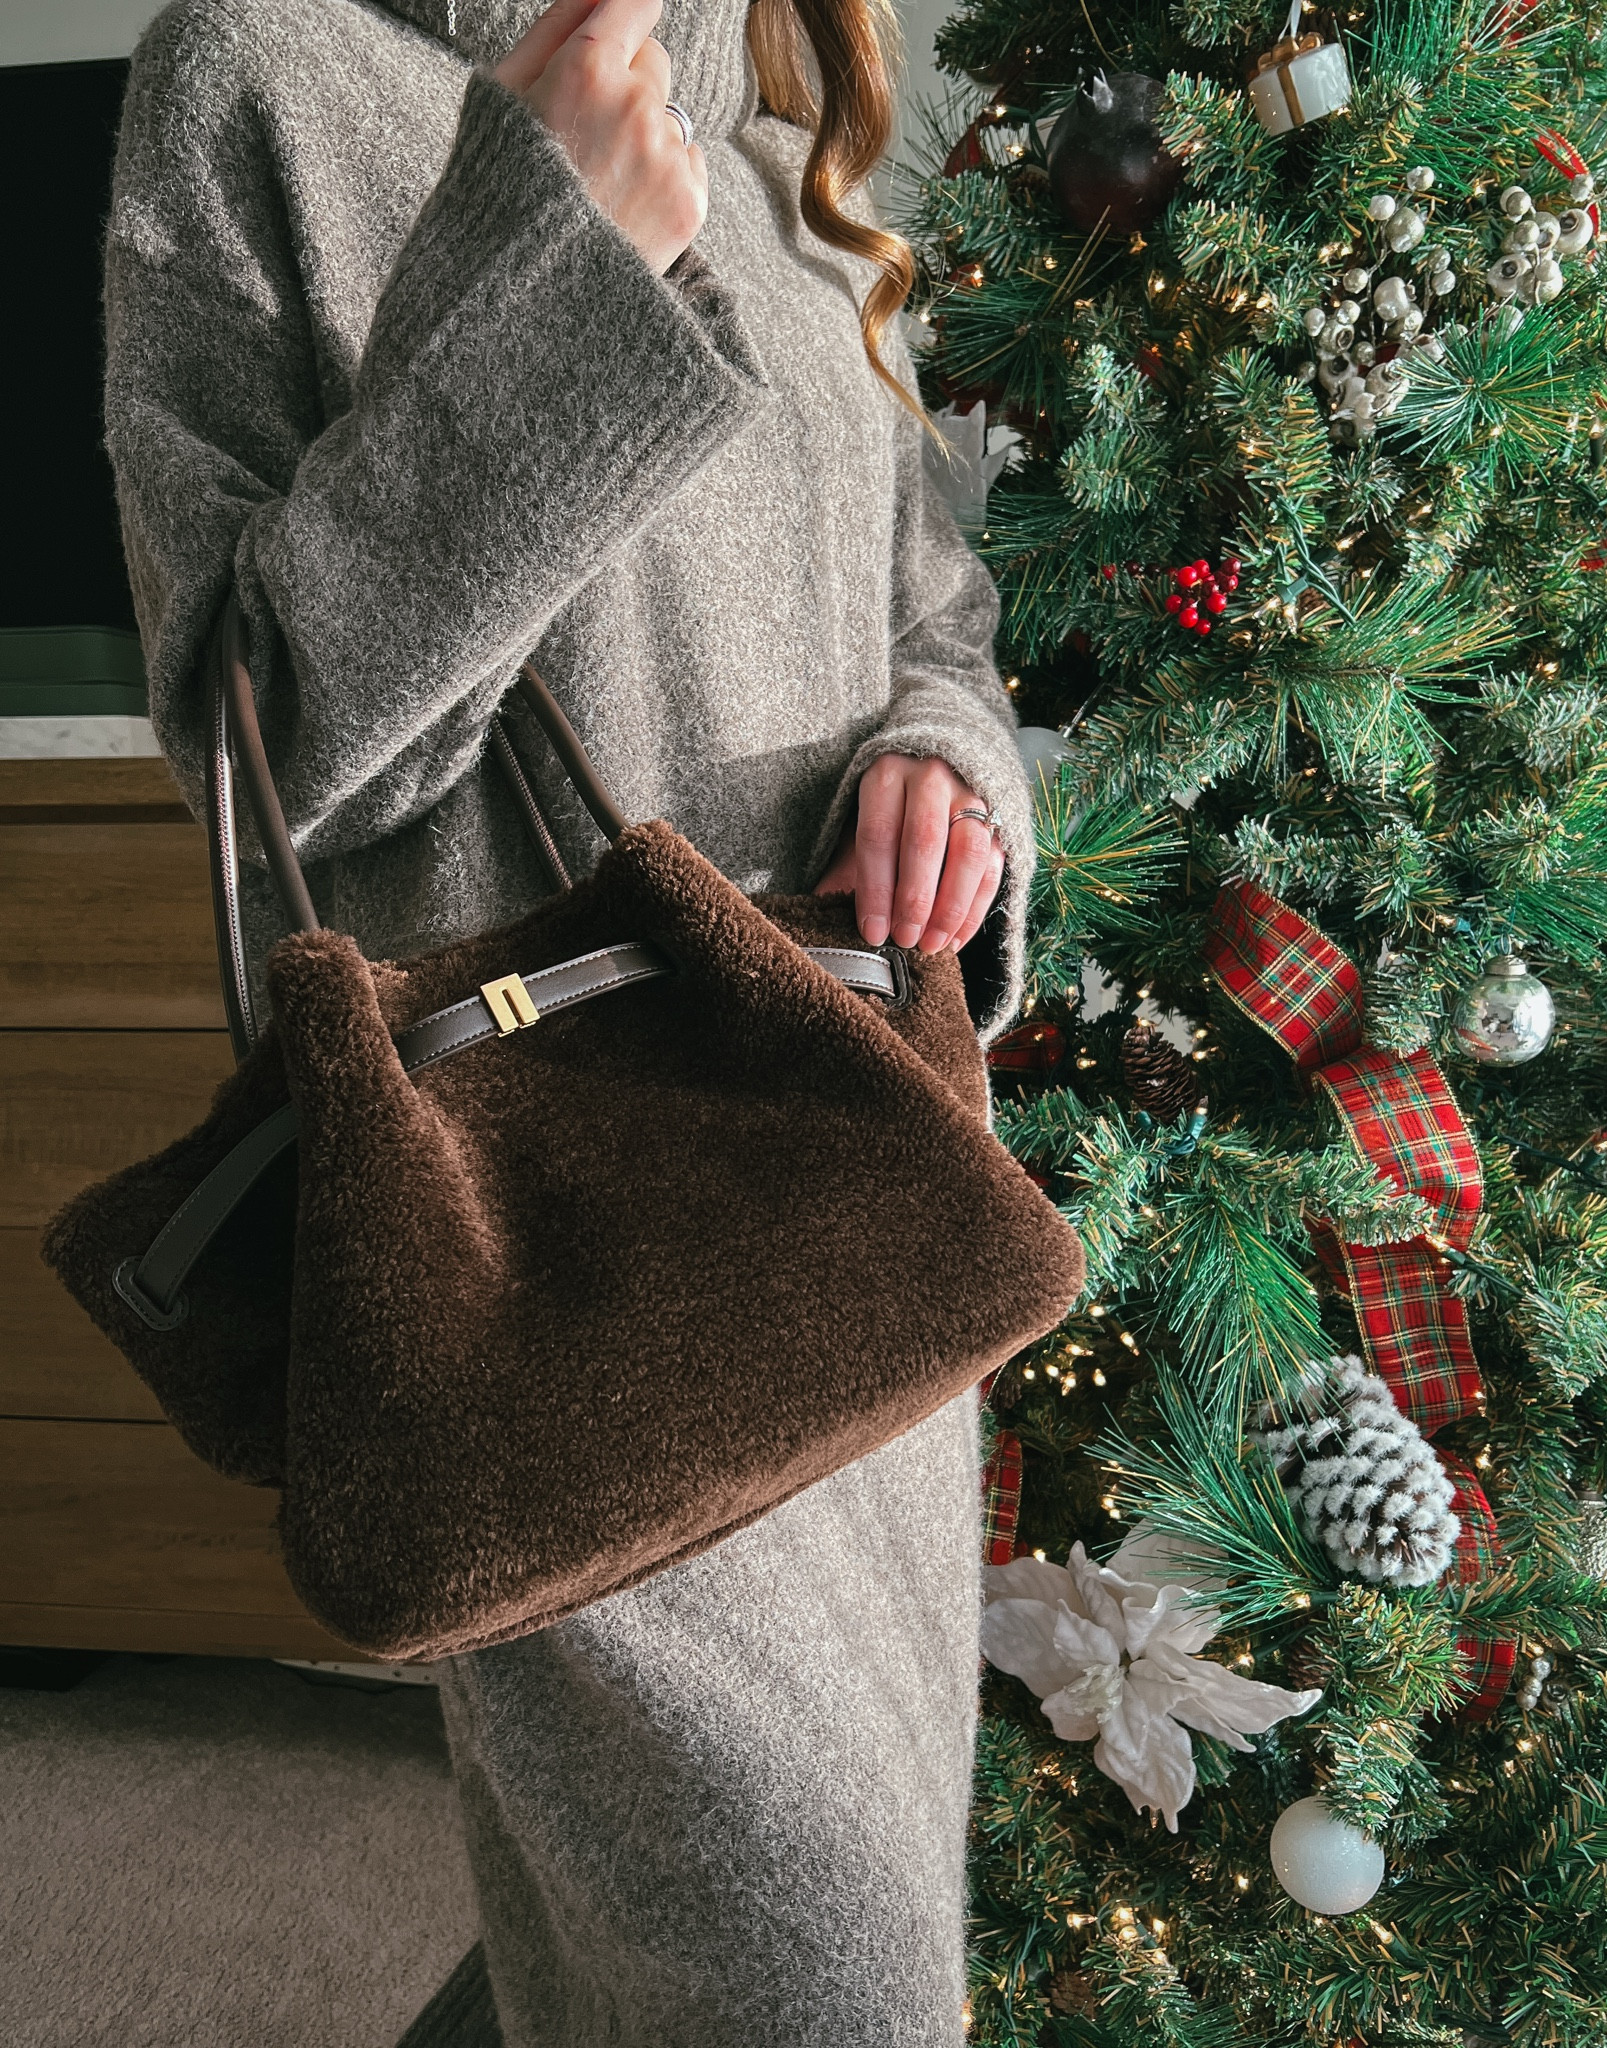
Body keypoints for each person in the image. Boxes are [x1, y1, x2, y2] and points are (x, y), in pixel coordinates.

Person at [102, 0, 1036, 2040]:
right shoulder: (260, 73)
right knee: (819, 1990)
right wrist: (551, 254)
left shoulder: (795, 151)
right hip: (560, 1257)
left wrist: (952, 759)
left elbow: (929, 616)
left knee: (740, 1963)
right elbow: (269, 746)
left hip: (857, 1189)